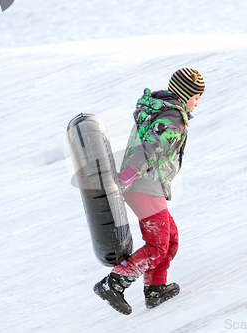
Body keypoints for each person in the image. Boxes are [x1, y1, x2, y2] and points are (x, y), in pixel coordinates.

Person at [93, 68, 205, 315]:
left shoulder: (161, 110)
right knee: (158, 245)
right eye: (197, 97)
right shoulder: (173, 118)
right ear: (186, 94)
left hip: (145, 185)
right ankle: (114, 283)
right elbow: (151, 146)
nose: (197, 103)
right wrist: (130, 174)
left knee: (170, 238)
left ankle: (156, 289)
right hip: (144, 184)